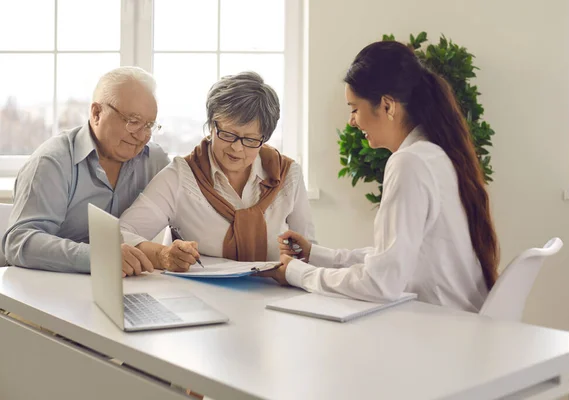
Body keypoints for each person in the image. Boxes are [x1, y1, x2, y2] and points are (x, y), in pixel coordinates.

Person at [261, 40, 499, 312]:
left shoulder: (409, 163)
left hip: (439, 329)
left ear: (387, 106)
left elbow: (381, 283)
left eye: (354, 109)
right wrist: (316, 255)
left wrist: (296, 274)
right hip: (459, 322)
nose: (351, 121)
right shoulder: (435, 154)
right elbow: (391, 258)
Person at [119, 71, 315, 271]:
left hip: (276, 294)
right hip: (196, 296)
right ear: (212, 126)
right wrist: (162, 255)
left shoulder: (288, 174)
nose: (237, 148)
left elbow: (310, 251)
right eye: (228, 134)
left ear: (264, 137)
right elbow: (121, 234)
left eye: (250, 140)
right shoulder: (180, 177)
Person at [2, 66, 169, 276]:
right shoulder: (52, 162)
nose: (142, 135)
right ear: (97, 113)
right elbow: (18, 242)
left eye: (149, 125)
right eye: (133, 122)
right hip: (49, 290)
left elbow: (187, 205)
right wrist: (99, 257)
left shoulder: (153, 160)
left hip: (122, 289)